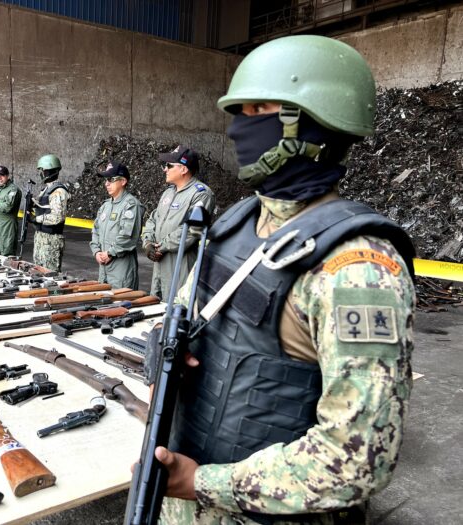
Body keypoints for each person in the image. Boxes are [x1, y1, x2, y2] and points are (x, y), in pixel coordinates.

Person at [148, 35, 417, 525]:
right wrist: (160, 345)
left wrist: (203, 483)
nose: (238, 127)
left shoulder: (358, 268)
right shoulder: (236, 222)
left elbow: (355, 460)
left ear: (316, 123)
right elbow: (185, 313)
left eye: (261, 108)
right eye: (240, 109)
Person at [141, 146, 215, 301]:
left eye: (169, 165)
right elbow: (153, 219)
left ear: (183, 169)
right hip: (160, 262)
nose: (164, 169)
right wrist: (148, 242)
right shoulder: (168, 193)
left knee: (176, 309)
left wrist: (161, 246)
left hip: (180, 263)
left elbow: (191, 231)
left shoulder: (201, 193)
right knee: (156, 304)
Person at [89, 160, 145, 289]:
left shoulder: (131, 205)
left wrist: (110, 253)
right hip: (103, 269)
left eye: (111, 179)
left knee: (122, 305)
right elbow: (96, 231)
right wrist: (96, 252)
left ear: (123, 181)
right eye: (105, 180)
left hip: (121, 270)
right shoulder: (105, 206)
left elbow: (128, 236)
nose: (107, 183)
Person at [31, 154, 70, 272]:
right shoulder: (46, 190)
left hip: (51, 241)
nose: (41, 173)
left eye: (42, 170)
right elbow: (44, 208)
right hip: (41, 238)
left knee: (50, 274)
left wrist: (37, 219)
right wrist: (32, 207)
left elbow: (57, 217)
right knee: (38, 272)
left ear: (49, 171)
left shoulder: (58, 191)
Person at [0, 165, 22, 256]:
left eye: (2, 175)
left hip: (7, 225)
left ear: (7, 176)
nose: (0, 178)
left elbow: (7, 207)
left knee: (7, 251)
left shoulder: (13, 190)